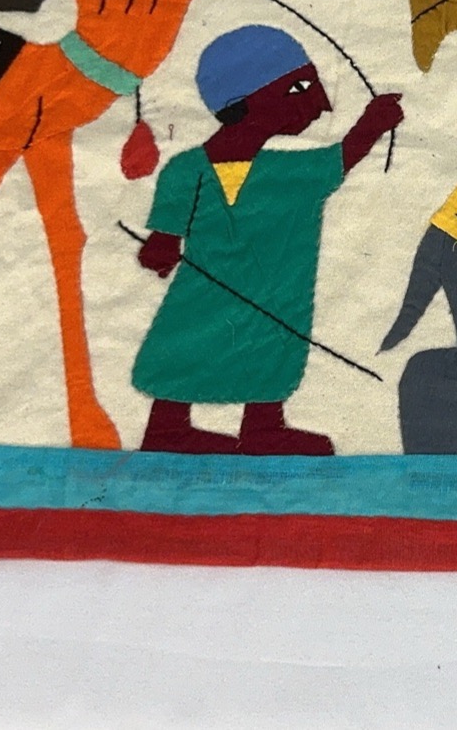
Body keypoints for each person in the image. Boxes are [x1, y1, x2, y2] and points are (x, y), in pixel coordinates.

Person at [130, 24, 404, 455]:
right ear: (242, 103)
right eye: (299, 87)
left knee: (271, 350)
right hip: (204, 295)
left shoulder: (285, 174)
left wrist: (371, 125)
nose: (320, 101)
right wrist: (161, 246)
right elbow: (164, 236)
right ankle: (168, 427)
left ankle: (262, 426)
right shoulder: (189, 171)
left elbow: (339, 160)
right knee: (187, 343)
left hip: (276, 297)